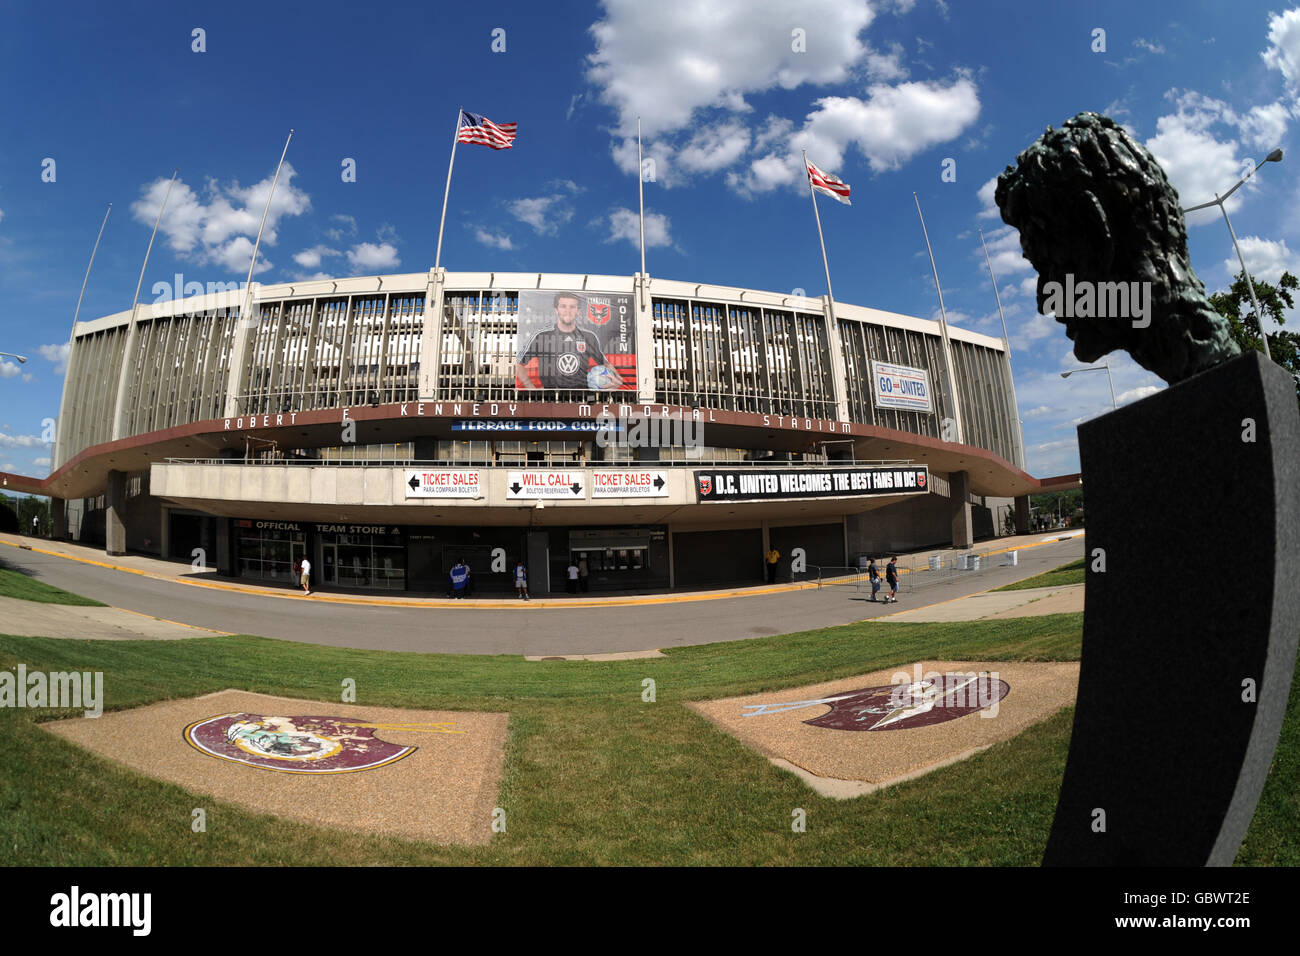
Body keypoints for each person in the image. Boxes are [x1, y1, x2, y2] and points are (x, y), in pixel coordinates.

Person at [515, 292, 623, 391]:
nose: (568, 311)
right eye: (563, 306)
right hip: (550, 398)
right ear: (556, 310)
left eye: (572, 307)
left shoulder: (589, 337)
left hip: (581, 398)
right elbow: (519, 364)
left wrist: (619, 380)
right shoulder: (542, 336)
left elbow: (606, 364)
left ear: (578, 311)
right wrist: (531, 388)